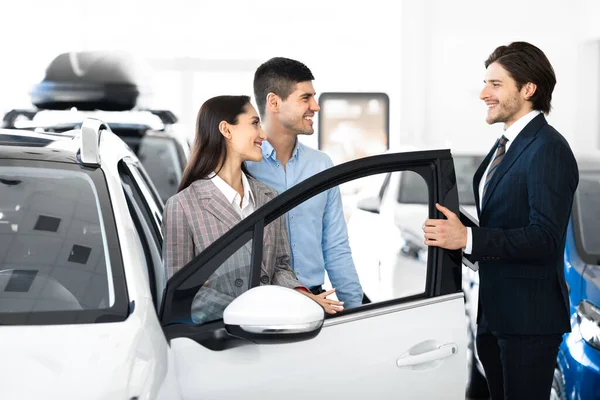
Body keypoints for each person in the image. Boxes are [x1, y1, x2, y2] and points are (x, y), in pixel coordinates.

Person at [422, 42, 578, 399]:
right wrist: (454, 228)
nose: (483, 94)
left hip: (529, 322)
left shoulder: (547, 148)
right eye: (484, 83)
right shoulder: (507, 144)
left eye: (495, 84)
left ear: (527, 89)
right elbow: (506, 223)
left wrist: (470, 240)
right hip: (495, 317)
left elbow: (545, 238)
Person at [162, 95, 343, 324]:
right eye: (254, 124)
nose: (263, 135)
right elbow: (182, 295)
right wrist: (257, 311)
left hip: (271, 332)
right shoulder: (183, 207)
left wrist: (302, 294)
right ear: (226, 130)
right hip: (219, 342)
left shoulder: (269, 198)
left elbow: (280, 268)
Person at [246, 57, 363, 308]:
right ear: (274, 102)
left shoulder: (321, 165)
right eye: (305, 98)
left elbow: (336, 246)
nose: (316, 106)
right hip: (258, 304)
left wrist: (356, 309)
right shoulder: (243, 167)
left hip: (315, 301)